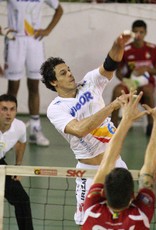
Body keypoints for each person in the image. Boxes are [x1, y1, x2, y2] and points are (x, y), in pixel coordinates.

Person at [40, 31, 133, 227]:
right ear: (53, 82)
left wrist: (118, 44)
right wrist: (112, 106)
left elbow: (110, 64)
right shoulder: (56, 109)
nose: (70, 74)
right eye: (63, 73)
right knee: (88, 222)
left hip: (116, 162)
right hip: (89, 172)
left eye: (69, 69)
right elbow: (79, 129)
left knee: (126, 216)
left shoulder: (90, 82)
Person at [82, 89, 156, 229]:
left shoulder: (91, 209)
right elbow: (149, 168)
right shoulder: (140, 216)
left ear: (103, 193)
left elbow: (107, 162)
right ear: (132, 196)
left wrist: (125, 119)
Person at [2, 0, 63, 147]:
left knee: (34, 86)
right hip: (15, 40)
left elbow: (59, 10)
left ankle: (35, 130)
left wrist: (47, 30)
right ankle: (7, 131)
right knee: (13, 88)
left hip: (34, 41)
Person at [110, 19, 156, 136]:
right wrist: (127, 82)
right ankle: (112, 125)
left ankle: (151, 125)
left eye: (141, 32)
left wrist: (146, 69)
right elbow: (118, 72)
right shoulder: (125, 49)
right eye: (135, 32)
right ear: (132, 33)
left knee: (148, 91)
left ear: (145, 33)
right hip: (131, 84)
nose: (138, 35)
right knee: (117, 90)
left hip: (146, 84)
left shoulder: (152, 48)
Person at [0, 94, 34, 229]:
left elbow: (21, 142)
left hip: (0, 165)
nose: (8, 113)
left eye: (12, 109)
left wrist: (18, 166)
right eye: (4, 109)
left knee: (22, 200)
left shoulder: (19, 127)